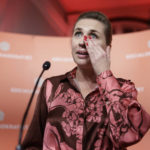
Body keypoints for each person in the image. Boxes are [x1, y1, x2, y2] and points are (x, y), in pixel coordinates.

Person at [22, 11, 150, 150]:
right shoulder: (51, 86)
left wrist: (104, 73)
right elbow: (32, 145)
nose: (83, 42)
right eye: (78, 34)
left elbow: (128, 135)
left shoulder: (124, 87)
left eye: (93, 35)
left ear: (107, 49)